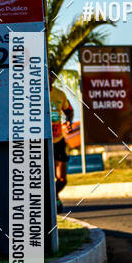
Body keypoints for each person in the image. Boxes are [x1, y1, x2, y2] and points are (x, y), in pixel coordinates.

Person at [49, 74, 74, 213]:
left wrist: (68, 121)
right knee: (45, 177)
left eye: (50, 76)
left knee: (62, 179)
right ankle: (52, 200)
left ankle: (54, 196)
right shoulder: (32, 93)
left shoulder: (60, 95)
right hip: (40, 142)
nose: (48, 79)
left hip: (58, 140)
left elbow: (69, 110)